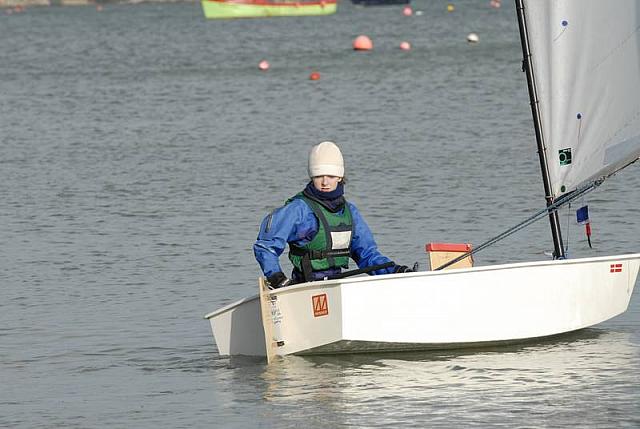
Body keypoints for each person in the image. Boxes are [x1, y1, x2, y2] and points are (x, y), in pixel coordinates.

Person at [253, 141, 414, 289]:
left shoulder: (349, 212)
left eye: (330, 176)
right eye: (318, 176)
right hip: (304, 287)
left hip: (336, 286)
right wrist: (277, 278)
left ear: (340, 177)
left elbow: (367, 255)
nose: (325, 182)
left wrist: (395, 270)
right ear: (311, 177)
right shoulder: (298, 210)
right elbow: (266, 246)